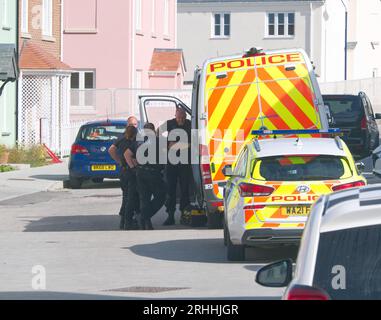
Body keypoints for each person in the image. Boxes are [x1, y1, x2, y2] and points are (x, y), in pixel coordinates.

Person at [126, 123, 166, 230]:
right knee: (161, 196)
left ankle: (146, 223)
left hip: (140, 173)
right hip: (154, 173)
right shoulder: (158, 141)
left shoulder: (138, 141)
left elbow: (127, 154)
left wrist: (133, 168)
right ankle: (144, 217)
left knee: (145, 199)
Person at [158, 108, 192, 226]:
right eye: (179, 118)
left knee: (185, 190)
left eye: (182, 118)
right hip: (171, 163)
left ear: (185, 117)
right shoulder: (170, 123)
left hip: (185, 163)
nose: (181, 120)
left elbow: (194, 142)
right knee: (170, 190)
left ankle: (184, 214)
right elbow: (158, 132)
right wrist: (165, 144)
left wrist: (179, 145)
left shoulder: (190, 124)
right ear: (175, 116)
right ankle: (170, 215)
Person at [108, 116, 139, 229]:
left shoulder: (126, 137)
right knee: (130, 196)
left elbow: (111, 149)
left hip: (125, 171)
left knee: (127, 196)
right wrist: (119, 161)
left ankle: (124, 221)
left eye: (135, 124)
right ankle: (128, 221)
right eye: (131, 124)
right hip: (128, 171)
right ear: (127, 125)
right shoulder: (126, 138)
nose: (133, 126)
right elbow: (111, 150)